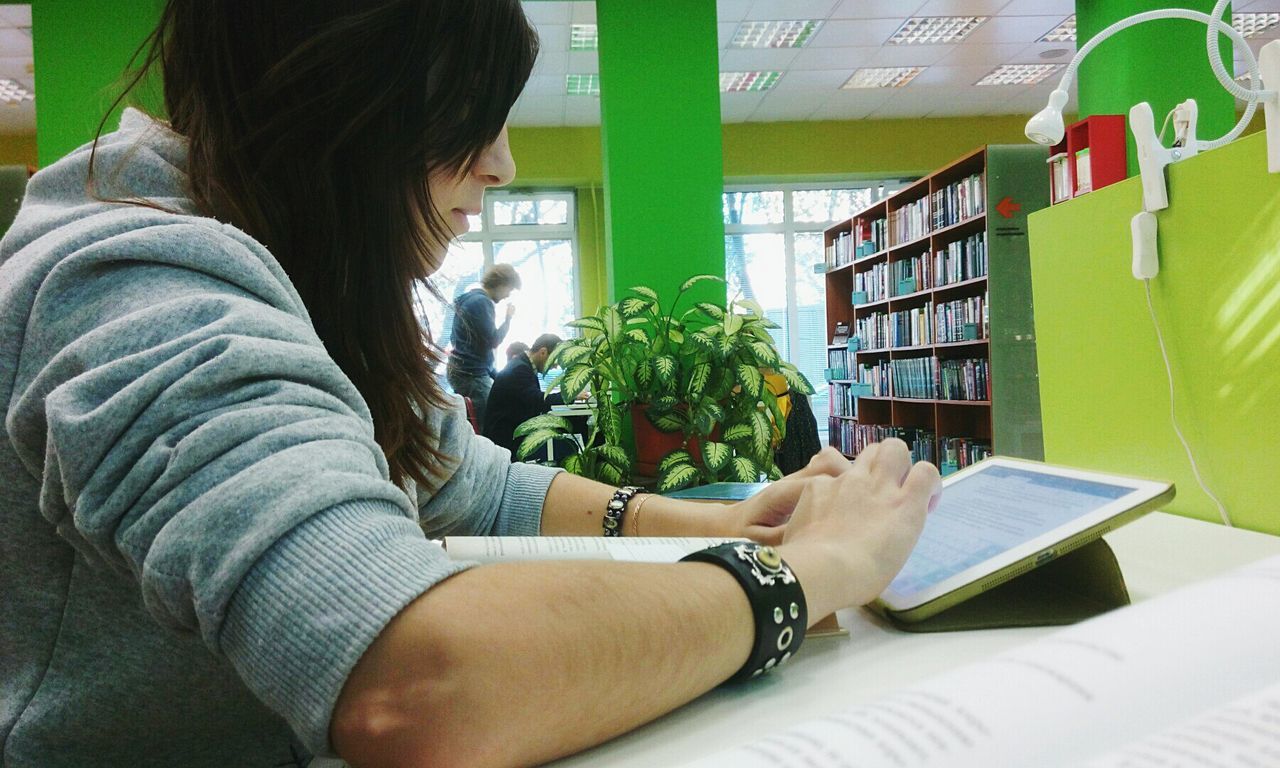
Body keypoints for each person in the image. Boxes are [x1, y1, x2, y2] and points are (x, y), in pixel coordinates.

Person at [0, 2, 941, 767]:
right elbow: (418, 685)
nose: (504, 163)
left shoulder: (285, 258)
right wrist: (812, 569)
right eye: (471, 121)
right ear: (346, 109)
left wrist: (726, 526)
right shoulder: (133, 284)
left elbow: (465, 481)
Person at [447, 263, 521, 429]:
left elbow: (457, 339)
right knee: (486, 426)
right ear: (502, 284)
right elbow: (493, 340)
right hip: (472, 373)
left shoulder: (468, 299)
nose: (507, 295)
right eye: (509, 290)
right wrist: (508, 319)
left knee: (470, 425)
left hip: (461, 370)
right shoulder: (482, 303)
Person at [484, 332, 563, 454]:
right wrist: (569, 396)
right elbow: (537, 401)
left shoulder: (523, 364)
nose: (556, 366)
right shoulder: (520, 369)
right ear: (543, 352)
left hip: (509, 433)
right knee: (565, 447)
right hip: (506, 440)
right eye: (555, 360)